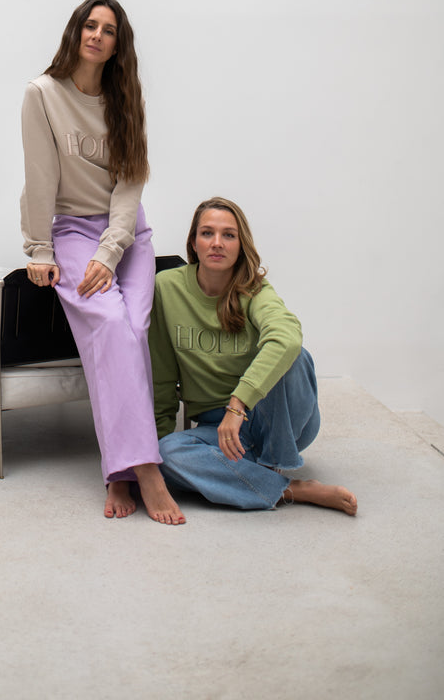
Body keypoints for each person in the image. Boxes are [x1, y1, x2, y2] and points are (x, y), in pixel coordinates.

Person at [21, 0, 184, 524]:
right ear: (76, 32)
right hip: (72, 229)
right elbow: (39, 178)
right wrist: (39, 248)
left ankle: (119, 471)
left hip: (126, 233)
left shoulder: (126, 97)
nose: (96, 35)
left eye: (108, 30)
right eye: (89, 25)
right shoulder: (42, 94)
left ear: (117, 45)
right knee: (111, 323)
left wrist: (112, 252)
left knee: (133, 328)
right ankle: (144, 470)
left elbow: (130, 183)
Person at [149, 197, 358, 519]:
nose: (217, 243)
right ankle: (290, 488)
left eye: (229, 235)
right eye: (207, 233)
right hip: (218, 432)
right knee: (168, 453)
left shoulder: (254, 289)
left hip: (280, 421)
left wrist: (238, 405)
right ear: (193, 242)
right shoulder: (166, 288)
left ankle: (271, 464)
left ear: (241, 245)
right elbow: (161, 374)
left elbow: (287, 337)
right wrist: (159, 453)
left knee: (295, 356)